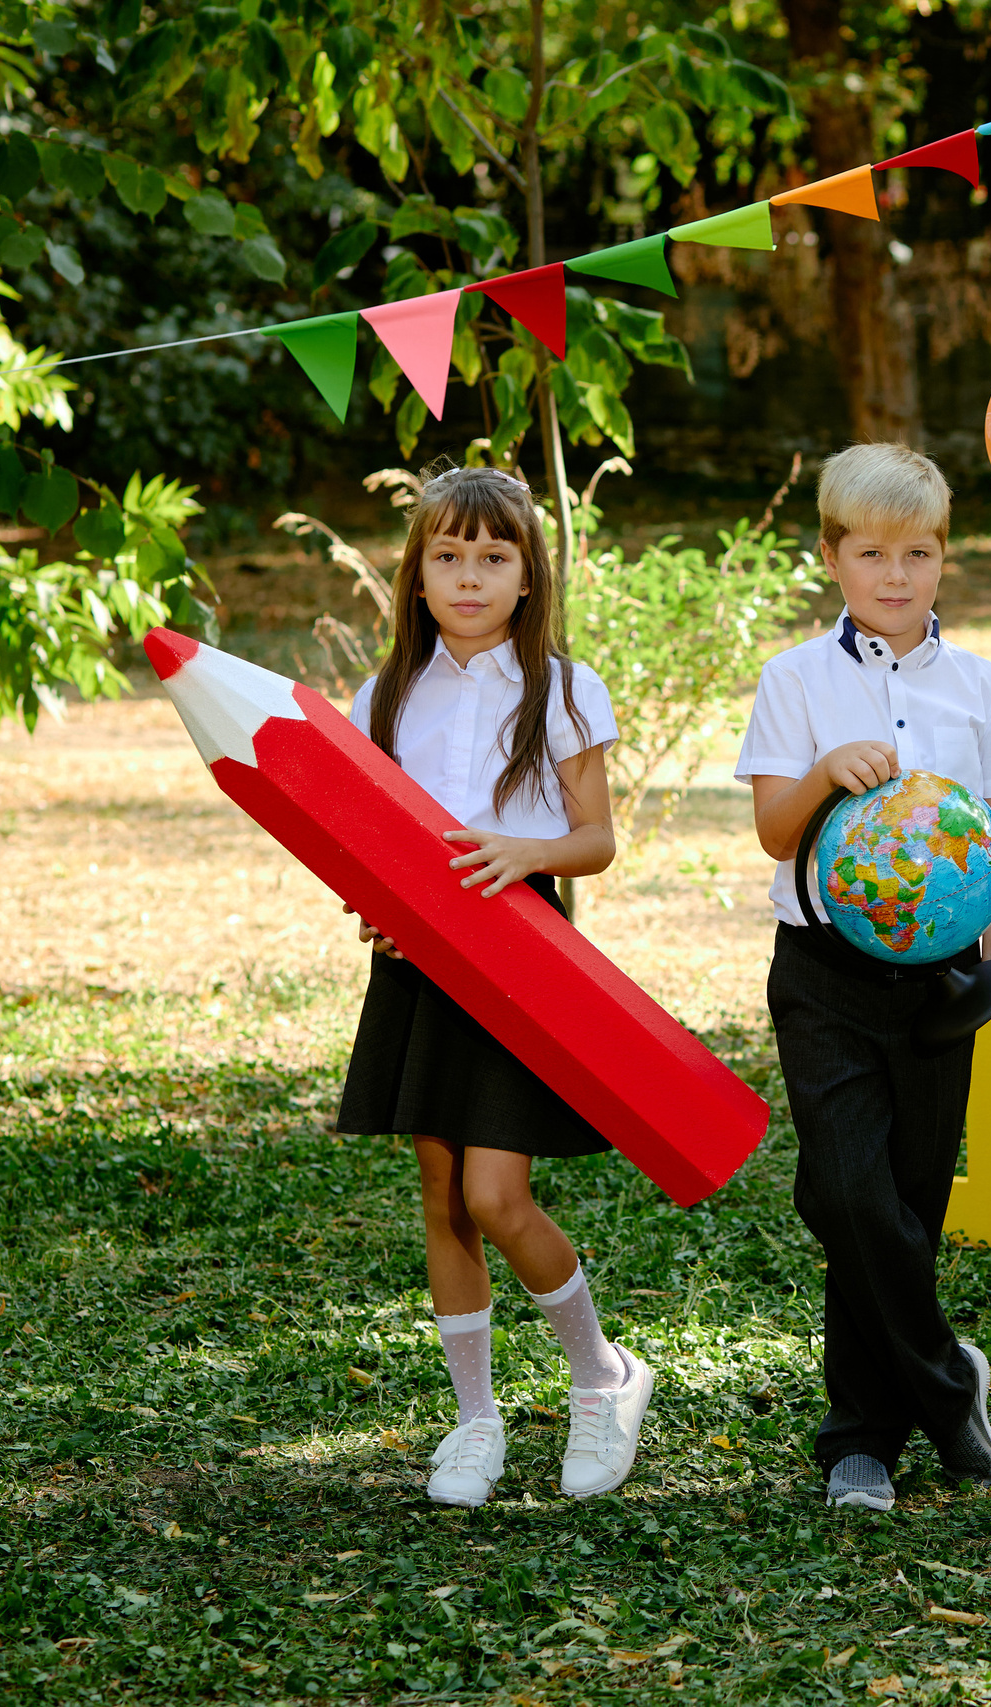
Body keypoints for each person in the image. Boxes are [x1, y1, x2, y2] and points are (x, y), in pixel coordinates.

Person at [334, 464, 649, 1510]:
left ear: (528, 575)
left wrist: (526, 854)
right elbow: (361, 839)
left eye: (493, 557)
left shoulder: (562, 688)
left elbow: (597, 838)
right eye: (448, 556)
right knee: (440, 1193)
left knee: (494, 1193)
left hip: (522, 959)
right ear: (415, 577)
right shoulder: (381, 696)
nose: (469, 576)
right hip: (414, 966)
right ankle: (475, 1421)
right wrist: (370, 900)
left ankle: (603, 1376)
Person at [735, 443, 991, 1512]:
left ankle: (871, 1429)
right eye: (871, 553)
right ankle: (929, 1398)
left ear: (944, 559)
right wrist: (825, 773)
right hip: (820, 970)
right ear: (833, 557)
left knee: (903, 1199)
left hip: (940, 978)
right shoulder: (796, 680)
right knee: (848, 1191)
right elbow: (777, 834)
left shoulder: (983, 690)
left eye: (917, 553)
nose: (895, 576)